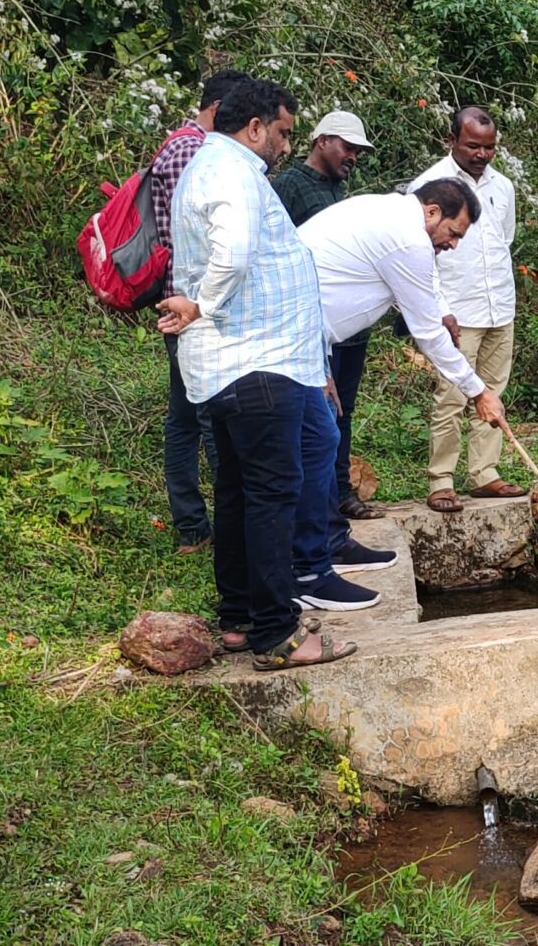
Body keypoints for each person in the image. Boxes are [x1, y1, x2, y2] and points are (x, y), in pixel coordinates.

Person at [154, 75, 359, 666]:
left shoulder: (216, 168)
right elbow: (236, 251)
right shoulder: (232, 171)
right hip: (257, 362)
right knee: (272, 494)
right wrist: (202, 303)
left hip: (241, 363)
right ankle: (277, 634)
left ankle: (241, 617)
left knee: (242, 493)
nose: (287, 145)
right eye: (284, 132)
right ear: (255, 128)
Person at [300, 181, 508, 475]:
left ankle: (322, 519)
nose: (453, 245)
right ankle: (314, 521)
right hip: (293, 339)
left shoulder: (392, 211)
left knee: (321, 437)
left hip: (308, 338)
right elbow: (428, 334)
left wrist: (320, 362)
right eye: (453, 233)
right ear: (432, 212)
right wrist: (479, 392)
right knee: (317, 442)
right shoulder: (409, 239)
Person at [142, 69, 244, 556]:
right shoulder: (194, 151)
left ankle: (195, 526)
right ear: (221, 109)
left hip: (184, 302)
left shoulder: (179, 144)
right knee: (205, 417)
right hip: (191, 307)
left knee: (186, 415)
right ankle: (213, 527)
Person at [270, 110, 387, 523]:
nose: (353, 156)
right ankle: (317, 505)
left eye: (358, 151)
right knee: (315, 417)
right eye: (348, 147)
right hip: (310, 329)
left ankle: (340, 493)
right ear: (322, 141)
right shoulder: (289, 187)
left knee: (343, 412)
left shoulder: (341, 192)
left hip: (350, 331)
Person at [408, 106, 523, 513]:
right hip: (456, 310)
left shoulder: (504, 186)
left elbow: (502, 242)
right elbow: (419, 255)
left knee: (493, 391)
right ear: (452, 140)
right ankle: (441, 479)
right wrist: (439, 308)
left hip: (499, 306)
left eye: (489, 147)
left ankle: (485, 474)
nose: (482, 154)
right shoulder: (429, 187)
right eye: (473, 145)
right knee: (452, 396)